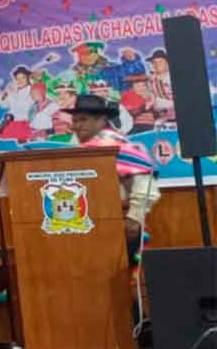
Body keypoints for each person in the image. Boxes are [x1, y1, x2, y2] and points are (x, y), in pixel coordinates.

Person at [51, 93, 160, 260]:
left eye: (83, 120)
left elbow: (146, 186)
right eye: (75, 120)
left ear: (101, 120)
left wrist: (134, 219)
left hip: (121, 226)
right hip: (91, 224)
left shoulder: (116, 145)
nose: (77, 125)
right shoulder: (82, 147)